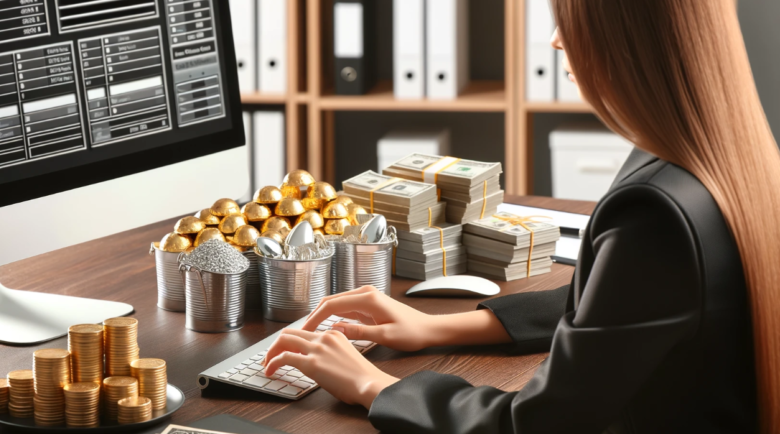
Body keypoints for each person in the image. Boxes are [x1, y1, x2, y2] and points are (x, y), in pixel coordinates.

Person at [262, 1, 780, 432]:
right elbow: (613, 304)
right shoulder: (724, 159)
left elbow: (536, 425)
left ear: (627, 39)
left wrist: (375, 385)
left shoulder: (656, 212)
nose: (556, 41)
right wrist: (436, 328)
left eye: (571, 22)